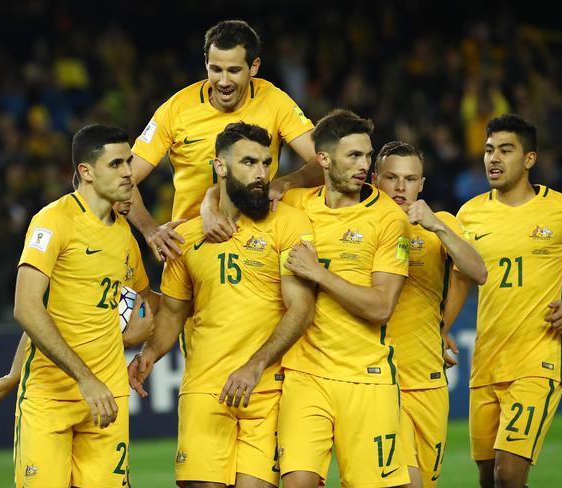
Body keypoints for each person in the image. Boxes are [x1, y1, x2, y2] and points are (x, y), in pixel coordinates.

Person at [128, 122, 315, 487]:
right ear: (221, 166)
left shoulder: (290, 224)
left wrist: (254, 365)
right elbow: (174, 312)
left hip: (266, 387)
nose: (261, 173)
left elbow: (302, 309)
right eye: (249, 162)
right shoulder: (186, 236)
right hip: (204, 387)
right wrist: (149, 354)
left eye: (266, 162)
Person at [457, 114, 562, 488]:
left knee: (509, 473)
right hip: (485, 363)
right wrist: (441, 328)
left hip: (537, 360)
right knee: (488, 478)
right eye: (489, 151)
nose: (494, 159)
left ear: (529, 159)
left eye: (505, 150)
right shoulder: (469, 214)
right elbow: (457, 279)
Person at [277, 109, 411, 487]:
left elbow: (382, 306)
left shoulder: (387, 218)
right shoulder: (295, 205)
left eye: (367, 156)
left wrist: (319, 273)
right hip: (306, 375)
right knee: (298, 482)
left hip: (366, 378)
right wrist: (206, 205)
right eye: (353, 156)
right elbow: (235, 196)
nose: (364, 165)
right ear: (323, 159)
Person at [6, 124, 140, 487]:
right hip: (51, 397)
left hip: (107, 397)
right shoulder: (53, 221)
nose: (129, 171)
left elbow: (144, 304)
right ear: (87, 172)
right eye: (116, 164)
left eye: (129, 161)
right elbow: (28, 308)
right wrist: (82, 378)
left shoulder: (125, 236)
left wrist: (147, 335)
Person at [129, 19, 320, 261]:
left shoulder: (274, 101)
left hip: (257, 244)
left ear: (254, 67)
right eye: (216, 69)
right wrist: (150, 229)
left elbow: (323, 160)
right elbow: (126, 178)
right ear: (206, 64)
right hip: (190, 248)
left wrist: (287, 182)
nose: (224, 81)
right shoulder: (176, 108)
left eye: (234, 70)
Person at [0, 197, 156, 410]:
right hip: (52, 388)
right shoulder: (64, 229)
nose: (129, 197)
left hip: (105, 388)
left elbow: (149, 301)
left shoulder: (126, 241)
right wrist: (15, 374)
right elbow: (42, 317)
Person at [373, 140, 487, 487]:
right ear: (376, 179)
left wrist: (436, 225)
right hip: (379, 379)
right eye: (391, 177)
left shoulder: (441, 225)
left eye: (410, 179)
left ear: (422, 184)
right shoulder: (361, 225)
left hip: (428, 381)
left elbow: (476, 271)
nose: (400, 187)